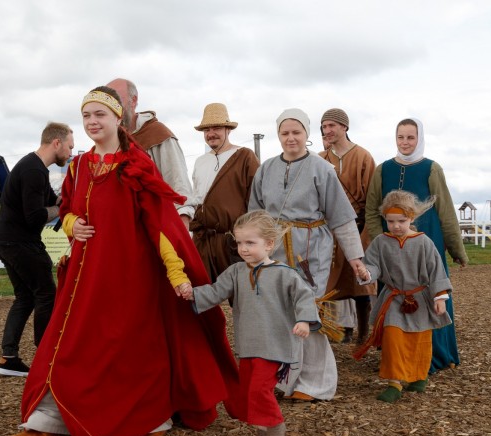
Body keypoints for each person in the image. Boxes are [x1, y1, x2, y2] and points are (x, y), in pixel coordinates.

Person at [7, 86, 238, 436]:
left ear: (118, 118)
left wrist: (176, 272)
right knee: (71, 342)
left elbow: (159, 224)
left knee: (129, 348)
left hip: (131, 274)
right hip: (87, 271)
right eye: (86, 116)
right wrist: (71, 225)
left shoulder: (136, 164)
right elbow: (68, 209)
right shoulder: (80, 165)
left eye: (100, 115)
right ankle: (45, 423)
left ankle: (148, 419)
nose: (92, 122)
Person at [248, 108, 366, 402]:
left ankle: (317, 383)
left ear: (306, 134)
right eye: (285, 133)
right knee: (280, 314)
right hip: (275, 250)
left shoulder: (321, 169)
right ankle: (287, 379)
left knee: (308, 313)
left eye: (296, 132)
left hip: (311, 249)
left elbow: (341, 217)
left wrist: (356, 259)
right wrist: (252, 251)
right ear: (278, 135)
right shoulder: (266, 169)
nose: (291, 138)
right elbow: (255, 214)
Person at [181, 210, 320, 436]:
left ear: (269, 244)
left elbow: (304, 297)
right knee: (247, 392)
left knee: (259, 391)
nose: (243, 248)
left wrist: (304, 321)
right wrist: (192, 294)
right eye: (239, 242)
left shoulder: (285, 274)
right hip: (249, 345)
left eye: (250, 243)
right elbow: (215, 292)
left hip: (276, 345)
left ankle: (276, 428)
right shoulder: (236, 272)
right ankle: (262, 434)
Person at [365, 118, 468, 374]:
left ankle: (433, 354)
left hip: (426, 239)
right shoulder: (382, 169)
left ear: (419, 138)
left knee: (431, 292)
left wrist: (457, 249)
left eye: (411, 137)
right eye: (401, 137)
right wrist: (383, 242)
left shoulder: (432, 168)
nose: (405, 142)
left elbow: (445, 210)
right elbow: (371, 209)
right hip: (390, 243)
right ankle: (397, 357)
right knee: (393, 293)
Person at [0, 122, 74, 377]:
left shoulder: (34, 166)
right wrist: (62, 211)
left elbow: (53, 200)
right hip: (20, 242)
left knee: (25, 297)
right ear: (56, 143)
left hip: (5, 240)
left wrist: (74, 197)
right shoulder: (33, 171)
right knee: (47, 293)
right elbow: (35, 217)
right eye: (70, 147)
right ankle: (46, 356)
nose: (71, 153)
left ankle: (9, 359)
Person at [354, 190, 453, 403]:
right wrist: (366, 272)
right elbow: (373, 266)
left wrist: (439, 298)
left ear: (412, 218)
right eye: (391, 221)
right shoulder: (381, 242)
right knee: (392, 338)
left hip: (420, 299)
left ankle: (418, 377)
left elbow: (436, 270)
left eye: (401, 220)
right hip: (393, 299)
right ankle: (394, 383)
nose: (396, 226)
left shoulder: (423, 242)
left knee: (419, 339)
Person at [319, 108, 377, 344]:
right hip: (328, 229)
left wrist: (367, 230)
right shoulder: (320, 159)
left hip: (358, 225)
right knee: (326, 281)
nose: (327, 130)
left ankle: (363, 333)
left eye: (332, 125)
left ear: (345, 127)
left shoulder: (363, 156)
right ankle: (330, 331)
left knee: (360, 282)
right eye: (324, 126)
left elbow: (373, 197)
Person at [106, 78, 194, 227]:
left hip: (154, 227)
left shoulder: (158, 135)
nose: (113, 106)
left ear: (133, 101)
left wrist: (181, 236)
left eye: (117, 99)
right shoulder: (108, 141)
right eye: (108, 101)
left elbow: (179, 188)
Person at [189, 103, 259, 281]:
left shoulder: (245, 156)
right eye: (207, 129)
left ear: (228, 129)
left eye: (217, 128)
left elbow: (256, 200)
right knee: (201, 295)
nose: (211, 133)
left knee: (241, 296)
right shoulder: (200, 162)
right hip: (203, 240)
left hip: (233, 241)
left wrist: (249, 239)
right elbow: (196, 199)